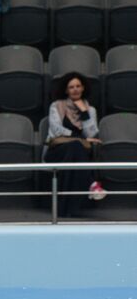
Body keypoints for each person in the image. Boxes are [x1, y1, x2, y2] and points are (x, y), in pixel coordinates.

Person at [44, 72, 106, 217]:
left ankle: (65, 210)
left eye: (78, 86)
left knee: (75, 149)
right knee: (76, 146)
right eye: (71, 87)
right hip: (56, 151)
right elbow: (56, 130)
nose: (75, 89)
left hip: (77, 153)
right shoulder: (57, 106)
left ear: (83, 88)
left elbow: (91, 134)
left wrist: (84, 112)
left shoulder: (90, 110)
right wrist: (79, 139)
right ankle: (91, 184)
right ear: (66, 90)